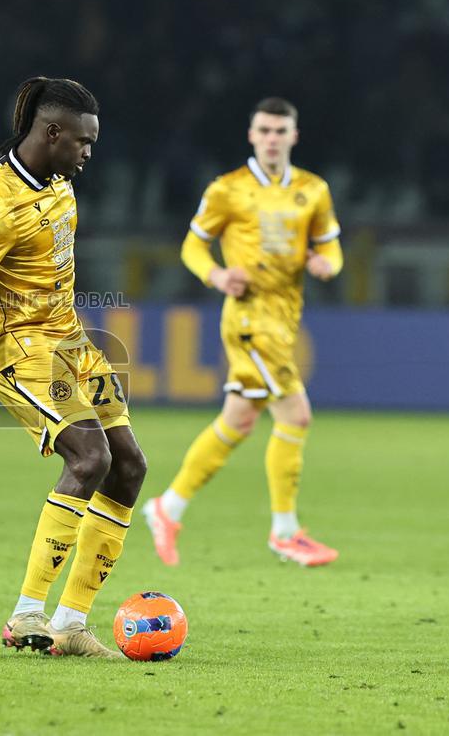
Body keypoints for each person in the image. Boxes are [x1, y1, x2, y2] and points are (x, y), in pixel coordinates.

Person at [0, 77, 147, 658]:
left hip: (71, 340)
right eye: (81, 142)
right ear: (51, 133)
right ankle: (27, 613)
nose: (88, 153)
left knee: (128, 465)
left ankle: (71, 624)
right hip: (14, 348)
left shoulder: (58, 182)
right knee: (90, 456)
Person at [142, 97, 343, 567]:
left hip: (285, 316)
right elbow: (193, 245)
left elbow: (333, 250)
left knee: (238, 420)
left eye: (280, 131)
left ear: (294, 136)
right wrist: (215, 276)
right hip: (249, 318)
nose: (272, 139)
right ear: (252, 135)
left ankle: (167, 507)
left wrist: (325, 265)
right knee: (296, 415)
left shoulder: (314, 190)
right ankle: (285, 531)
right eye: (264, 131)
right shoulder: (227, 189)